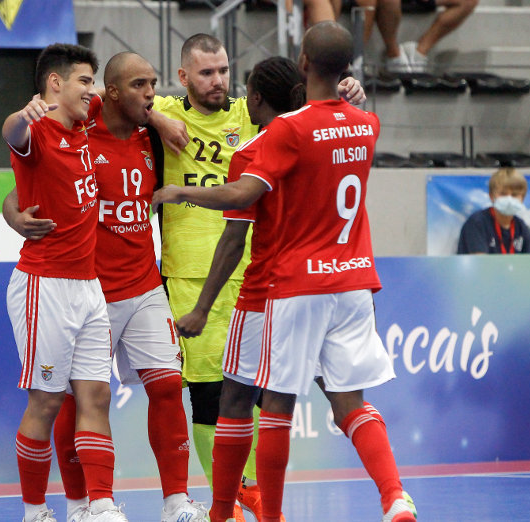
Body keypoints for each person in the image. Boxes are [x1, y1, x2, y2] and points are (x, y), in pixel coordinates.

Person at [152, 21, 417, 522]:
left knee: (263, 402)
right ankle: (394, 496)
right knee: (349, 400)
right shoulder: (367, 122)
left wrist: (179, 192)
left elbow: (240, 207)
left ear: (303, 63)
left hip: (285, 285)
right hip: (355, 279)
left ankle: (257, 514)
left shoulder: (276, 139)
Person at [3, 52, 209, 522]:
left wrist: (153, 113)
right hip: (78, 283)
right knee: (62, 400)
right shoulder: (76, 125)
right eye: (138, 85)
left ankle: (172, 501)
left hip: (140, 286)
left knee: (166, 386)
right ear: (106, 93)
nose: (151, 93)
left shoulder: (153, 134)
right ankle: (76, 505)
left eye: (154, 84)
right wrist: (13, 214)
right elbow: (22, 177)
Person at [2, 44, 128, 522]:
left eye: (93, 82)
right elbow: (10, 132)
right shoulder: (35, 132)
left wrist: (159, 120)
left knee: (96, 396)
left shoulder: (85, 120)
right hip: (44, 284)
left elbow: (133, 99)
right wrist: (21, 114)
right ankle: (35, 512)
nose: (91, 91)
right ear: (54, 84)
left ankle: (99, 505)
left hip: (88, 286)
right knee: (47, 398)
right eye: (83, 81)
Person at [457, 167, 530, 254]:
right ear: (492, 196)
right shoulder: (477, 223)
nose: (509, 199)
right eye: (503, 194)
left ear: (523, 199)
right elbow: (480, 264)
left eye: (514, 195)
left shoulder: (521, 227)